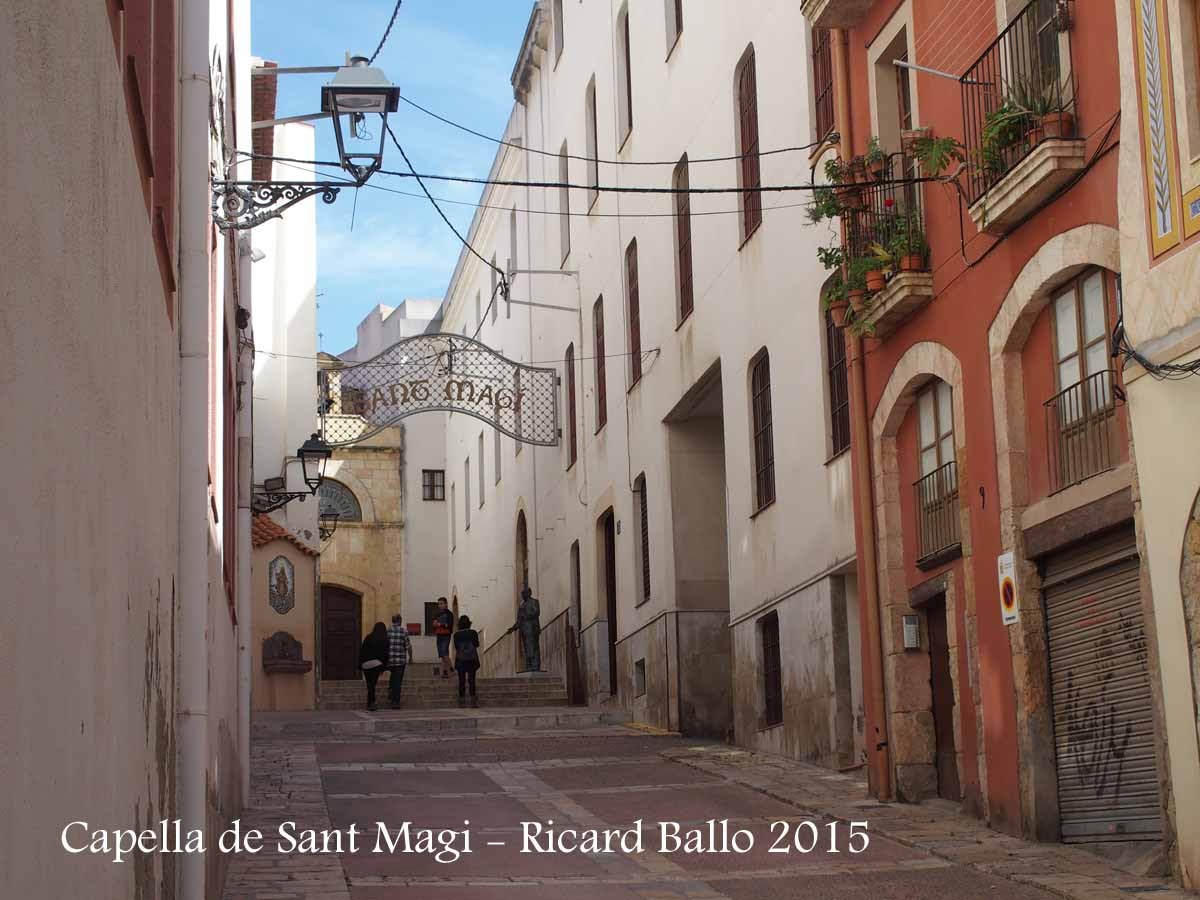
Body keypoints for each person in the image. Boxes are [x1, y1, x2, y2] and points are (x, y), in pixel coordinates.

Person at [506, 587, 542, 672]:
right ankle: (529, 666)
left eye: (524, 594)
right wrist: (513, 628)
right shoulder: (522, 605)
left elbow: (536, 612)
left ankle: (535, 666)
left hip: (532, 628)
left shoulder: (534, 602)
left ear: (529, 593)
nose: (523, 596)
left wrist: (525, 615)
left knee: (533, 647)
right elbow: (519, 620)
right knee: (527, 648)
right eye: (522, 594)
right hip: (524, 629)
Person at [359, 622, 389, 711]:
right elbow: (385, 655)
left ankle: (370, 702)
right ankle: (371, 703)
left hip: (366, 664)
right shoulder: (384, 639)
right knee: (372, 684)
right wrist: (383, 668)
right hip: (376, 664)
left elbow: (362, 651)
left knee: (369, 684)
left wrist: (360, 665)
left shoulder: (368, 637)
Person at [453, 615, 481, 708]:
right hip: (472, 659)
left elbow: (456, 647)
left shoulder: (456, 635)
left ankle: (462, 701)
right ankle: (473, 701)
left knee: (461, 680)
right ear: (469, 623)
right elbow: (477, 644)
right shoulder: (473, 633)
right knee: (472, 679)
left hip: (461, 659)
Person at [386, 614, 412, 709]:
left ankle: (390, 691)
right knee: (398, 681)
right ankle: (395, 702)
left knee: (393, 677)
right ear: (400, 620)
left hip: (390, 659)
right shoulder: (404, 631)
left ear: (392, 620)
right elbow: (408, 646)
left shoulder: (387, 631)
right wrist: (411, 657)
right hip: (400, 660)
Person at [431, 596, 454, 678]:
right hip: (439, 635)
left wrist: (440, 624)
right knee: (442, 654)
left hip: (446, 635)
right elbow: (434, 624)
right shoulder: (437, 614)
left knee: (444, 652)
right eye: (439, 604)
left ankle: (451, 669)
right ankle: (445, 671)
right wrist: (434, 625)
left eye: (441, 604)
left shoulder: (449, 614)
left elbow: (450, 624)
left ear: (446, 604)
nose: (440, 605)